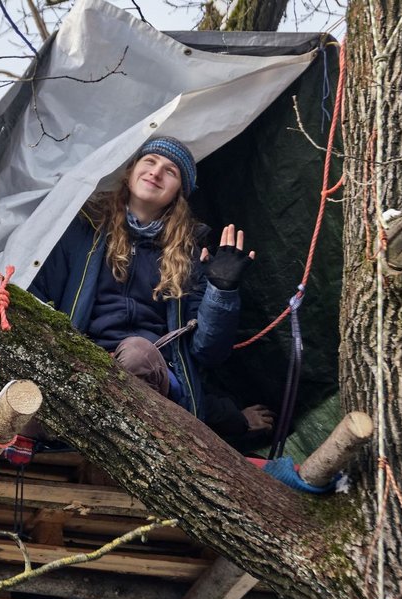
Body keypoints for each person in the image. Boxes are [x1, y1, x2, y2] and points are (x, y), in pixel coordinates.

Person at [28, 136, 271, 432]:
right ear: (130, 172)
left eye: (170, 171)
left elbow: (208, 351)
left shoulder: (189, 254)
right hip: (82, 361)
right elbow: (36, 293)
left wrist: (221, 291)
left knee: (136, 355)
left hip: (152, 372)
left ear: (178, 194)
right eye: (150, 161)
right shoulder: (83, 230)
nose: (156, 172)